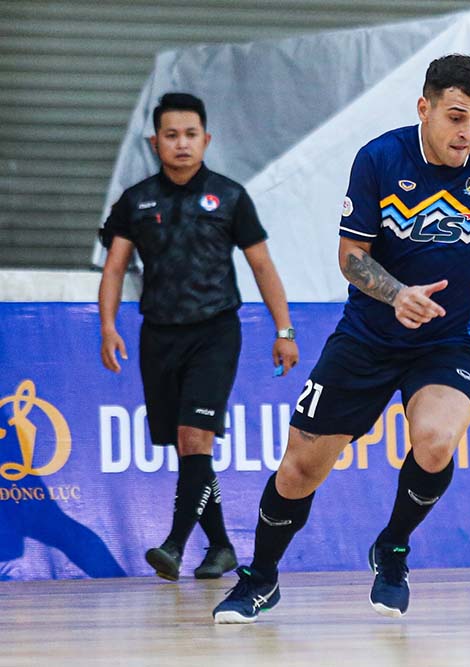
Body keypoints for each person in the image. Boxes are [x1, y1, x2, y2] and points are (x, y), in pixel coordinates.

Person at [212, 54, 470, 624]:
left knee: (437, 441)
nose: (467, 132)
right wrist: (397, 294)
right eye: (456, 117)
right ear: (424, 108)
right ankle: (261, 577)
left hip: (449, 341)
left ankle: (394, 547)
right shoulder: (380, 159)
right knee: (300, 468)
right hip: (368, 337)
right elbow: (351, 257)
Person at [98, 92, 300, 581]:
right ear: (155, 142)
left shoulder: (229, 196)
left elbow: (262, 265)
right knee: (188, 448)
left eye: (191, 135)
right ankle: (222, 547)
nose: (182, 144)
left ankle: (174, 544)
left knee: (195, 436)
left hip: (215, 332)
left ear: (206, 140)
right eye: (171, 135)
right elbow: (115, 267)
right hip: (158, 335)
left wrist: (284, 330)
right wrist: (107, 326)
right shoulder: (135, 201)